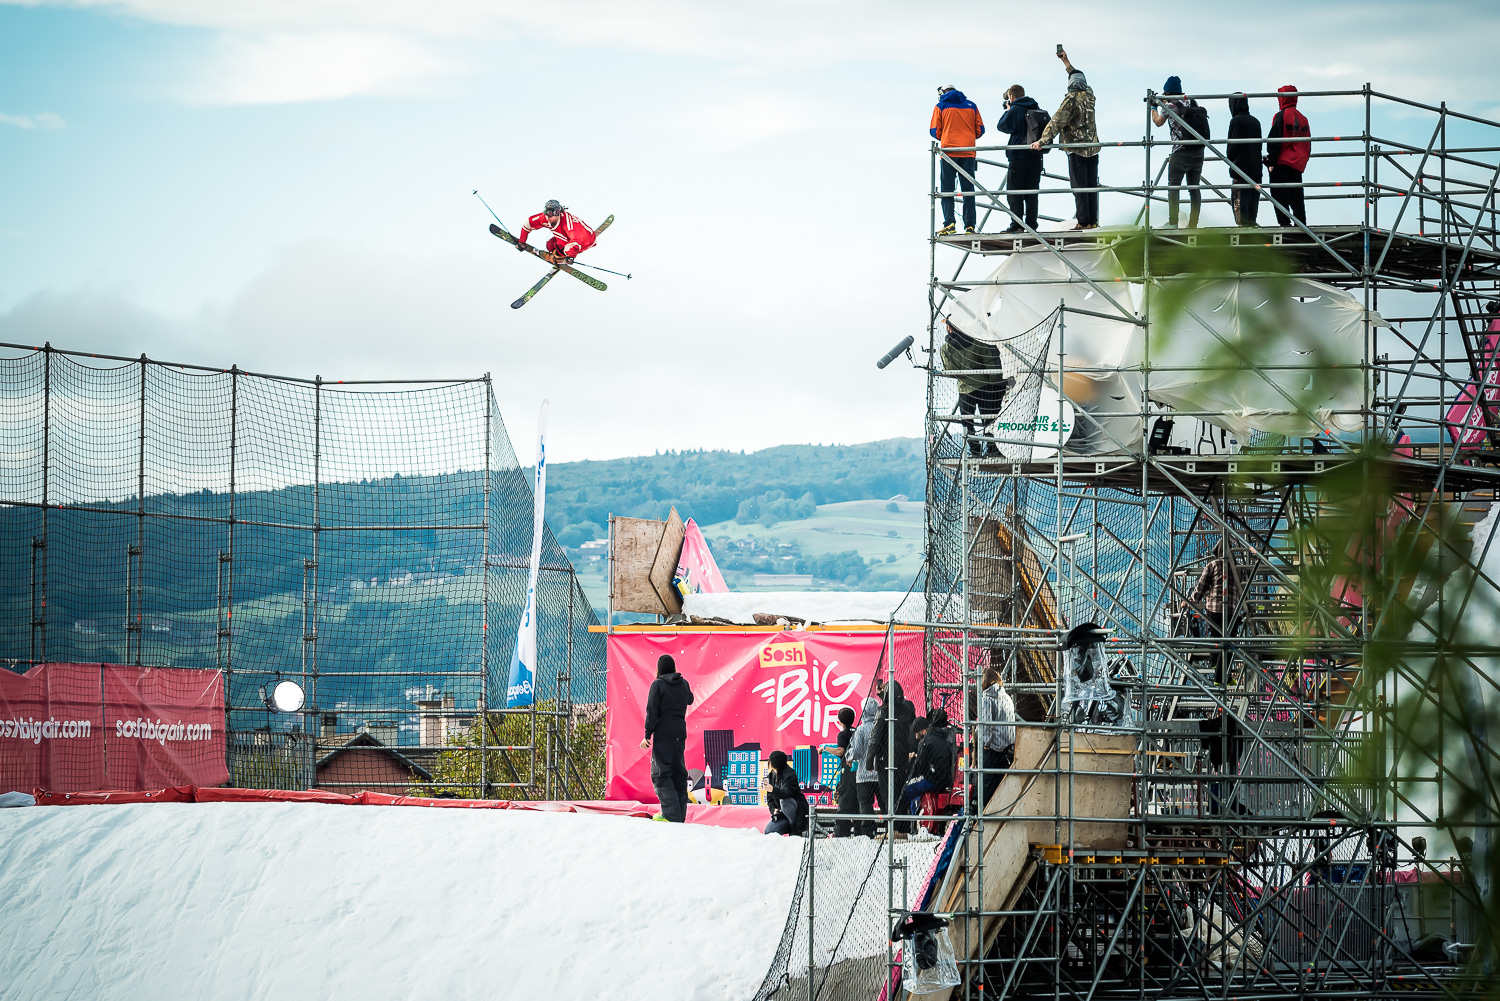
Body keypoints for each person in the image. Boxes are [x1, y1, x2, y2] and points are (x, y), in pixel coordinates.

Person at [1032, 48, 1100, 230]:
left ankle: (1083, 222)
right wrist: (1066, 63)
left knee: (1079, 187)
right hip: (1093, 148)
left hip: (1077, 149)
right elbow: (1079, 77)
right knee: (1092, 186)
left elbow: (1056, 122)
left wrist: (1042, 141)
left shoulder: (1071, 100)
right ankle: (1093, 221)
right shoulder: (1090, 95)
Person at [941, 316, 1013, 458]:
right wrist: (997, 386)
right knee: (989, 419)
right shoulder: (978, 343)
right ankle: (993, 449)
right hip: (985, 388)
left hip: (965, 390)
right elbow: (990, 364)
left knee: (967, 422)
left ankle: (975, 450)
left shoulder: (946, 348)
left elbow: (950, 371)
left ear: (949, 328)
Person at [638, 654, 694, 823]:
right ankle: (679, 816)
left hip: (663, 736)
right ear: (674, 668)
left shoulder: (658, 685)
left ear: (658, 669)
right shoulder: (683, 683)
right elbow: (690, 699)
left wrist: (647, 735)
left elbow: (652, 712)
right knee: (678, 774)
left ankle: (670, 816)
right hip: (679, 736)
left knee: (662, 775)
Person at [1151, 76, 1206, 229]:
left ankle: (1173, 223)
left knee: (1173, 186)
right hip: (1198, 150)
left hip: (1180, 151)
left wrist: (1153, 107)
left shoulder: (1171, 106)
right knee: (1194, 187)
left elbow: (1158, 122)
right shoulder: (1191, 102)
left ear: (1167, 92)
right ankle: (1193, 223)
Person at [930, 85, 985, 236]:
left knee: (947, 190)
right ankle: (970, 226)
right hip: (968, 152)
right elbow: (980, 130)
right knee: (968, 190)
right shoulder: (971, 106)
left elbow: (935, 131)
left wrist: (949, 136)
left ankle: (949, 224)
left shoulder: (940, 106)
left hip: (949, 152)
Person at [1186, 541, 1240, 685]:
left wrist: (1191, 600)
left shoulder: (1213, 564)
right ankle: (1222, 676)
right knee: (1228, 643)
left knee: (1216, 637)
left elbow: (1201, 586)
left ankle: (1215, 666)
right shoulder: (1238, 568)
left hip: (1214, 608)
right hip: (1233, 610)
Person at [995, 85, 1048, 232]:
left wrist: (1008, 110)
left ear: (1011, 97)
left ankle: (1017, 224)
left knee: (1014, 193)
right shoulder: (1035, 107)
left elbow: (1002, 126)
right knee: (1031, 193)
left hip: (1019, 156)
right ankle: (1031, 224)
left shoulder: (1016, 109)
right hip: (1036, 157)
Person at [867, 679, 917, 823]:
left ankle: (892, 827)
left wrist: (869, 762)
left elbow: (875, 738)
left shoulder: (882, 711)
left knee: (888, 795)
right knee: (900, 794)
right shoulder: (907, 710)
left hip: (885, 759)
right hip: (902, 759)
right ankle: (902, 827)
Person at [896, 707, 957, 819]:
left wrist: (912, 761)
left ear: (923, 730)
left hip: (933, 780)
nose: (916, 737)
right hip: (945, 779)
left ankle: (903, 824)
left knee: (906, 791)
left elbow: (920, 767)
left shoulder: (926, 741)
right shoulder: (945, 738)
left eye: (917, 733)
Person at [971, 662, 1016, 811]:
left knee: (984, 785)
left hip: (993, 747)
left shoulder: (986, 698)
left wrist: (985, 744)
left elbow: (987, 725)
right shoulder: (1007, 697)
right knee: (998, 786)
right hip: (1007, 748)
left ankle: (978, 815)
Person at [1264, 86, 1310, 227]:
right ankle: (1301, 223)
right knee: (1296, 196)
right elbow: (1307, 142)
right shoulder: (1303, 118)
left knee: (1279, 195)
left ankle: (1284, 224)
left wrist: (1271, 161)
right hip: (1298, 163)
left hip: (1282, 162)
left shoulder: (1281, 115)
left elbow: (1275, 139)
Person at [517, 199, 598, 262]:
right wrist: (522, 241)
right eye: (545, 212)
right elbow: (527, 224)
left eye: (550, 214)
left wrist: (570, 257)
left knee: (564, 248)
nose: (547, 217)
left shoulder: (569, 225)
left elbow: (576, 243)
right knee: (550, 245)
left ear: (557, 213)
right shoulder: (545, 218)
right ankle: (557, 254)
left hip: (586, 240)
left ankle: (559, 257)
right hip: (568, 237)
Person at [1225, 93, 1264, 227]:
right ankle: (1252, 229)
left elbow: (1233, 146)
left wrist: (1229, 157)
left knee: (1240, 206)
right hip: (1256, 169)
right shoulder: (1255, 121)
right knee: (1253, 205)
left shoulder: (1236, 121)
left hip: (1241, 169)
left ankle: (1244, 232)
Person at [849, 696, 881, 837]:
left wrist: (849, 756)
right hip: (881, 773)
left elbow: (857, 751)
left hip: (863, 776)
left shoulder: (860, 730)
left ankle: (868, 832)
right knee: (884, 804)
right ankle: (890, 830)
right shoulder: (882, 728)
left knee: (865, 805)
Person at [762, 750, 807, 836]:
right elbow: (770, 799)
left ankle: (795, 828)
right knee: (769, 831)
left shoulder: (790, 775)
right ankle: (789, 825)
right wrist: (773, 810)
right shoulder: (771, 776)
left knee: (784, 800)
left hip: (798, 814)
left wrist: (772, 789)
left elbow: (786, 793)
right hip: (782, 814)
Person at [833, 706, 859, 837]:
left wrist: (825, 749)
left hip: (848, 774)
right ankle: (861, 834)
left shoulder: (843, 734)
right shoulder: (858, 731)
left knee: (844, 805)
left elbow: (840, 751)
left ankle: (841, 834)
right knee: (859, 805)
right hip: (860, 775)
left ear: (840, 722)